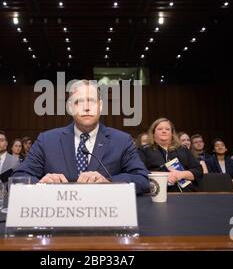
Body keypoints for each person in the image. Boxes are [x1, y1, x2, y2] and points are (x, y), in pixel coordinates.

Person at [12, 80, 149, 194]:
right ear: (70, 107)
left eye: (92, 101)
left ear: (100, 106)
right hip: (59, 217)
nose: (87, 108)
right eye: (79, 102)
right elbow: (18, 177)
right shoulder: (47, 140)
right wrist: (41, 184)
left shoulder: (122, 141)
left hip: (104, 218)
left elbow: (142, 179)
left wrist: (109, 182)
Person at [138, 118, 203, 192]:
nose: (164, 131)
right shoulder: (144, 150)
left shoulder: (183, 149)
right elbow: (139, 172)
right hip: (158, 194)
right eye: (160, 129)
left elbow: (198, 171)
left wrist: (181, 174)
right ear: (153, 133)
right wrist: (164, 176)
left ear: (172, 133)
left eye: (167, 129)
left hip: (187, 194)